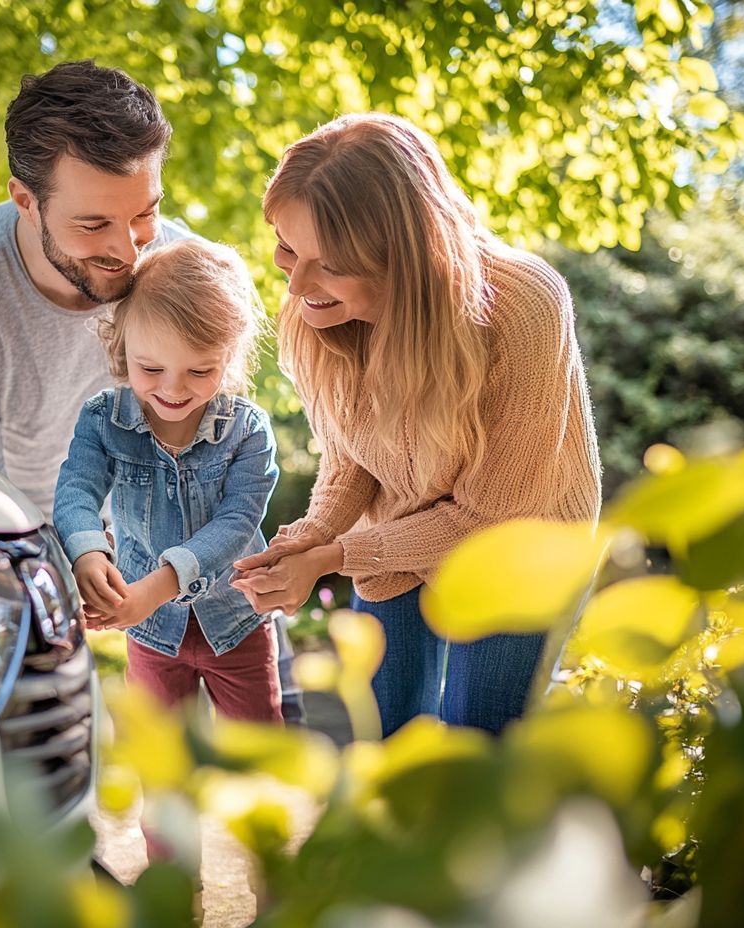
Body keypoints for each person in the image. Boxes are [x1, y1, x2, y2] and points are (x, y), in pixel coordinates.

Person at [0, 60, 303, 722]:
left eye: (144, 213)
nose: (127, 250)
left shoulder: (178, 270)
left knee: (266, 747)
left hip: (183, 529)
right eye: (94, 225)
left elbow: (223, 447)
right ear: (25, 199)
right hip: (37, 521)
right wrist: (70, 563)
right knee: (44, 731)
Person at [231, 113, 602, 738]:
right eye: (288, 248)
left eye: (329, 263)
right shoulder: (321, 310)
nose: (295, 284)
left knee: (476, 736)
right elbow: (353, 455)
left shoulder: (525, 307)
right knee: (382, 732)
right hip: (400, 530)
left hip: (518, 546)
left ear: (406, 255)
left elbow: (493, 515)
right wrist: (314, 533)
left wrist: (333, 556)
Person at [54, 239, 282, 721]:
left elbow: (237, 521)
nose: (173, 389)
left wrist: (156, 587)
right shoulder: (103, 421)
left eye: (200, 370)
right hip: (151, 632)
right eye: (151, 368)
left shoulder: (247, 431)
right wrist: (88, 551)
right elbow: (77, 490)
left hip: (236, 620)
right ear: (122, 347)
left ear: (230, 357)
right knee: (160, 764)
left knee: (258, 754)